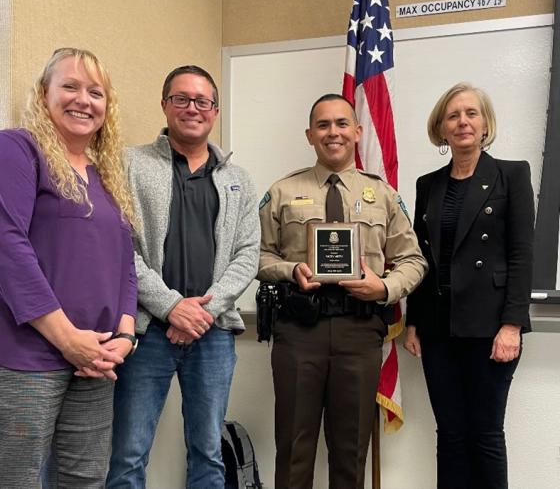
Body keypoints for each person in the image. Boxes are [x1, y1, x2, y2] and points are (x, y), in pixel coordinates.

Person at [258, 93, 427, 489]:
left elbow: (414, 261)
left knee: (351, 451)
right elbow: (258, 257)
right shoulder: (282, 191)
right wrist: (290, 269)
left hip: (359, 330)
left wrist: (383, 287)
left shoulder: (382, 194)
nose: (332, 132)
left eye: (340, 124)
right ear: (309, 134)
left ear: (357, 131)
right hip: (298, 330)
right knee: (294, 447)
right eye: (323, 125)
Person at [107, 65, 260, 489]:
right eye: (182, 99)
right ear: (165, 105)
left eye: (202, 101)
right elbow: (121, 249)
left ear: (215, 111)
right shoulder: (128, 165)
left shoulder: (237, 180)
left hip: (212, 334)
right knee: (128, 453)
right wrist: (172, 307)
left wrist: (202, 313)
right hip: (148, 331)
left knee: (208, 453)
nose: (193, 108)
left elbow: (248, 254)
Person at [0, 47, 137, 488]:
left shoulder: (107, 173)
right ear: (44, 94)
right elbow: (7, 244)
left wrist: (126, 336)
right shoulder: (18, 149)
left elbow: (125, 264)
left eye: (95, 92)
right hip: (28, 356)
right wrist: (66, 339)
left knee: (85, 480)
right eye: (70, 86)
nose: (83, 100)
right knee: (19, 478)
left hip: (97, 359)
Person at [404, 82, 534, 489]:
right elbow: (422, 258)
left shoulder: (512, 174)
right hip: (439, 328)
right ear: (441, 128)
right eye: (453, 115)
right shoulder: (429, 184)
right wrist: (413, 321)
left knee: (486, 435)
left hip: (490, 327)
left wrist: (512, 325)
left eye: (471, 113)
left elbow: (521, 256)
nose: (463, 122)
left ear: (484, 124)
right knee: (451, 435)